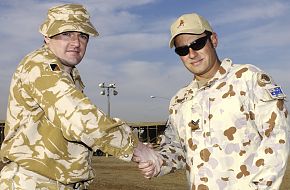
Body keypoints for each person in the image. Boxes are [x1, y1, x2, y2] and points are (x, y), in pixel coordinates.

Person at [0, 4, 155, 190]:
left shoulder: (70, 75)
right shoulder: (40, 65)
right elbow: (78, 116)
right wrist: (135, 147)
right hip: (33, 182)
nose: (76, 42)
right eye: (66, 33)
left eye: (83, 35)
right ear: (47, 36)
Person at [133, 12, 289, 190]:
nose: (192, 54)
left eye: (197, 44)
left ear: (213, 40)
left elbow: (276, 139)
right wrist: (157, 161)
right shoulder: (180, 101)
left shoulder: (249, 80)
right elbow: (177, 150)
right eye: (182, 50)